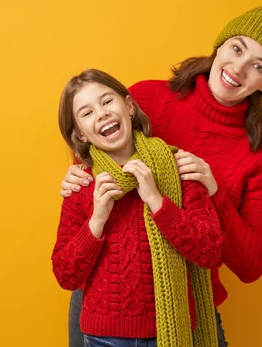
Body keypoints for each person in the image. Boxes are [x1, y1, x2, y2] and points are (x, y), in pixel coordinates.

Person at [61, 5, 262, 347]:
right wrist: (76, 174)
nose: (238, 69)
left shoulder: (261, 159)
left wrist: (215, 192)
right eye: (237, 48)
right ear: (219, 45)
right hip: (107, 296)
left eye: (258, 66)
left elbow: (252, 265)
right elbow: (96, 139)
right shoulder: (148, 97)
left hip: (187, 302)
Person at [52, 69, 224, 347]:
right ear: (80, 136)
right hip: (104, 339)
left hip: (173, 331)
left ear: (129, 106)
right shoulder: (82, 185)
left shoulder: (179, 167)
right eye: (86, 113)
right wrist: (97, 218)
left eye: (107, 101)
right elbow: (65, 274)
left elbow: (210, 251)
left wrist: (156, 200)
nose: (101, 113)